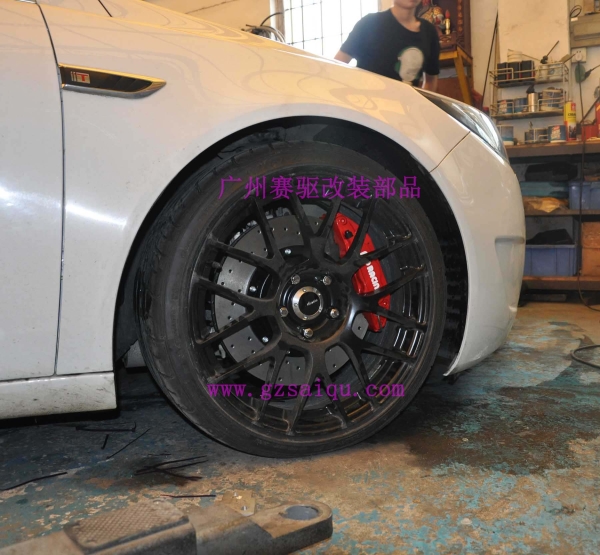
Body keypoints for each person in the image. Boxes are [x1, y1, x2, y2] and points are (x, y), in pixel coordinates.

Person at [334, 0, 440, 92]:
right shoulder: (369, 24)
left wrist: (420, 105)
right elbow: (336, 66)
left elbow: (430, 80)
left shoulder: (429, 32)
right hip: (367, 105)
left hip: (405, 107)